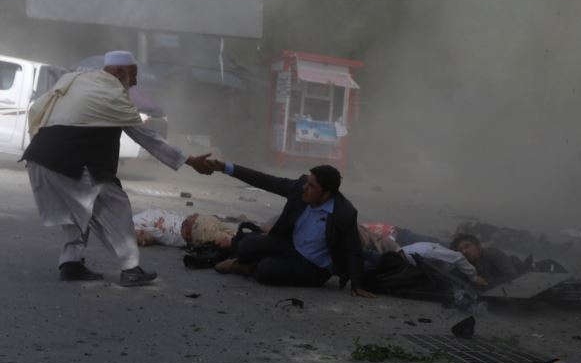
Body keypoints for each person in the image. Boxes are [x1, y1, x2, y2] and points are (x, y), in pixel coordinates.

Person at [20, 50, 211, 286]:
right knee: (116, 208)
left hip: (40, 158)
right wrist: (190, 161)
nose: (135, 82)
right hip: (71, 162)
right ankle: (131, 270)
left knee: (78, 212)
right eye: (134, 75)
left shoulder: (80, 81)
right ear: (120, 72)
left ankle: (71, 264)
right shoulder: (112, 94)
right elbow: (148, 138)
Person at [201, 159, 374, 295]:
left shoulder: (344, 213)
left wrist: (357, 285)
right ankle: (248, 261)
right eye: (307, 182)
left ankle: (244, 267)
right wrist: (226, 168)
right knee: (246, 245)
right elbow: (265, 181)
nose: (305, 188)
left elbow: (353, 248)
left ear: (326, 193)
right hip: (289, 245)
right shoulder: (300, 189)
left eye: (311, 186)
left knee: (266, 270)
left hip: (314, 266)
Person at [133, 209, 246, 249]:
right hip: (199, 223)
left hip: (196, 230)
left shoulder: (135, 224)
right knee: (238, 236)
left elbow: (144, 237)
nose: (143, 243)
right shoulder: (145, 216)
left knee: (235, 244)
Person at [451, 233, 523, 286]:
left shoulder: (493, 255)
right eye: (460, 250)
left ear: (478, 246)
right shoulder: (464, 266)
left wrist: (486, 283)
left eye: (467, 246)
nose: (464, 251)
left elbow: (512, 276)